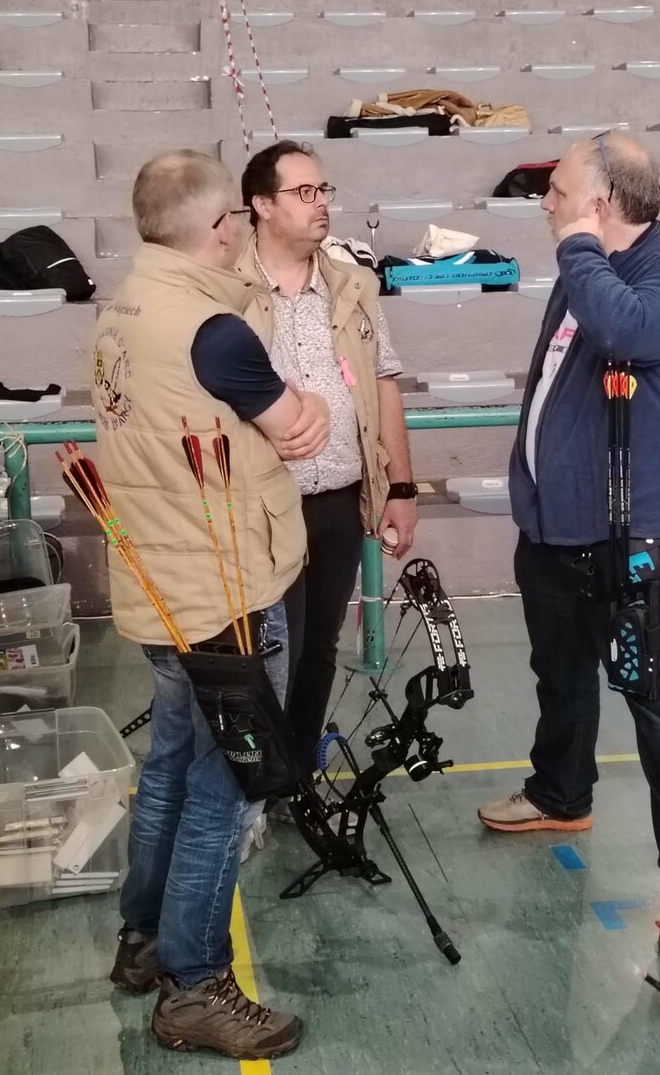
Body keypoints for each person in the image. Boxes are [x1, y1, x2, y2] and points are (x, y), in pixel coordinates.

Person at [93, 151, 330, 1060]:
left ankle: (145, 940)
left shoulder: (125, 305)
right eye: (234, 215)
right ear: (219, 227)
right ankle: (194, 985)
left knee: (173, 766)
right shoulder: (214, 329)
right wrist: (303, 405)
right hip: (222, 594)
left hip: (164, 587)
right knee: (226, 787)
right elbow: (297, 425)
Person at [478, 131, 660, 945]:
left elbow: (624, 332)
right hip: (558, 529)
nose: (544, 204)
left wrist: (579, 246)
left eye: (557, 190)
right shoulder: (580, 276)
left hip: (644, 532)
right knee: (559, 674)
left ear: (598, 203)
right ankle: (560, 793)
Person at [236, 140, 418, 773]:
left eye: (324, 191)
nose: (321, 205)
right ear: (262, 205)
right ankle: (256, 784)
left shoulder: (354, 286)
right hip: (263, 507)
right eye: (304, 192)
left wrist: (400, 487)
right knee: (268, 651)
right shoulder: (225, 289)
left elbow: (385, 382)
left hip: (339, 500)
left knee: (318, 648)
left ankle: (296, 776)